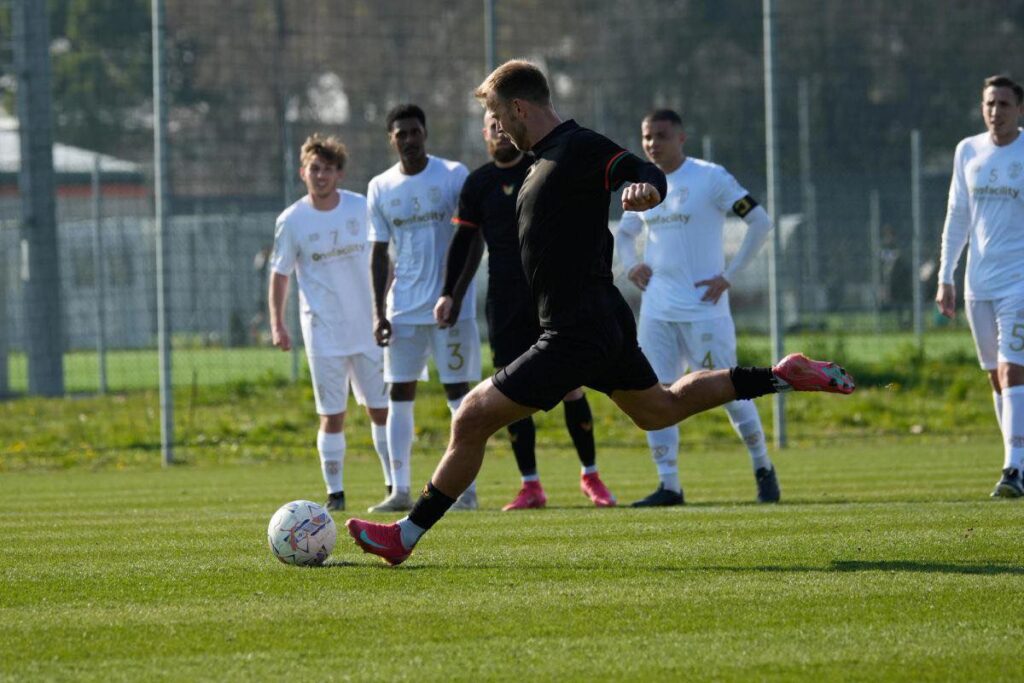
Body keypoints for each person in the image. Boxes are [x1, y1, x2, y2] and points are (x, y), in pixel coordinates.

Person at [346, 60, 854, 566]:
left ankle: (404, 536)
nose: (497, 127)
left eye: (499, 115)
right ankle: (781, 375)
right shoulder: (538, 161)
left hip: (576, 329)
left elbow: (643, 171)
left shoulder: (577, 146)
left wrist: (647, 189)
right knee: (660, 408)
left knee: (473, 415)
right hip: (597, 320)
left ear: (519, 107)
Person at [437, 110, 617, 510]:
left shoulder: (542, 169)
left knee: (571, 384)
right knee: (510, 387)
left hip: (551, 293)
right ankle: (530, 485)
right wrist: (448, 293)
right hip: (504, 301)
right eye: (492, 127)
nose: (499, 132)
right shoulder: (478, 182)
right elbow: (464, 241)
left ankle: (591, 476)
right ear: (484, 134)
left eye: (503, 124)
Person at [615, 109, 777, 506]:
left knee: (731, 393)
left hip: (705, 310)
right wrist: (631, 265)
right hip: (657, 312)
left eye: (661, 135)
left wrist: (729, 275)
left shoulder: (710, 177)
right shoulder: (643, 186)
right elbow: (625, 233)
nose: (652, 143)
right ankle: (669, 485)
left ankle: (763, 468)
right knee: (655, 395)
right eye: (647, 136)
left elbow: (760, 221)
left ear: (681, 137)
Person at [366, 103, 480, 513]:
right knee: (399, 392)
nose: (409, 139)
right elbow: (379, 254)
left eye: (415, 131)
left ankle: (466, 491)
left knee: (459, 395)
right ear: (391, 139)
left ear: (425, 133)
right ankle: (400, 490)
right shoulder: (380, 186)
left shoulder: (453, 175)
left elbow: (473, 239)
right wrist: (379, 312)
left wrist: (457, 296)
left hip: (450, 309)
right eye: (401, 134)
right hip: (402, 310)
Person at [268, 134, 391, 512]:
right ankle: (335, 494)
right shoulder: (292, 220)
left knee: (381, 410)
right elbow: (280, 274)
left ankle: (395, 486)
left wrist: (386, 307)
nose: (321, 175)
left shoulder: (360, 207)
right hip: (323, 334)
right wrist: (277, 324)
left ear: (339, 174)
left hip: (369, 329)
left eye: (328, 169)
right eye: (314, 168)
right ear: (302, 172)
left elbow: (385, 259)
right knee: (331, 415)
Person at [936, 74, 1024, 498]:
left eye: (1004, 104)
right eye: (990, 103)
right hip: (978, 283)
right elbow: (957, 216)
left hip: (1019, 282)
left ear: (1019, 110)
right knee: (994, 377)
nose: (995, 111)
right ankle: (1018, 459)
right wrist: (945, 275)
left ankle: (1013, 468)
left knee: (1012, 369)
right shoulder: (968, 151)